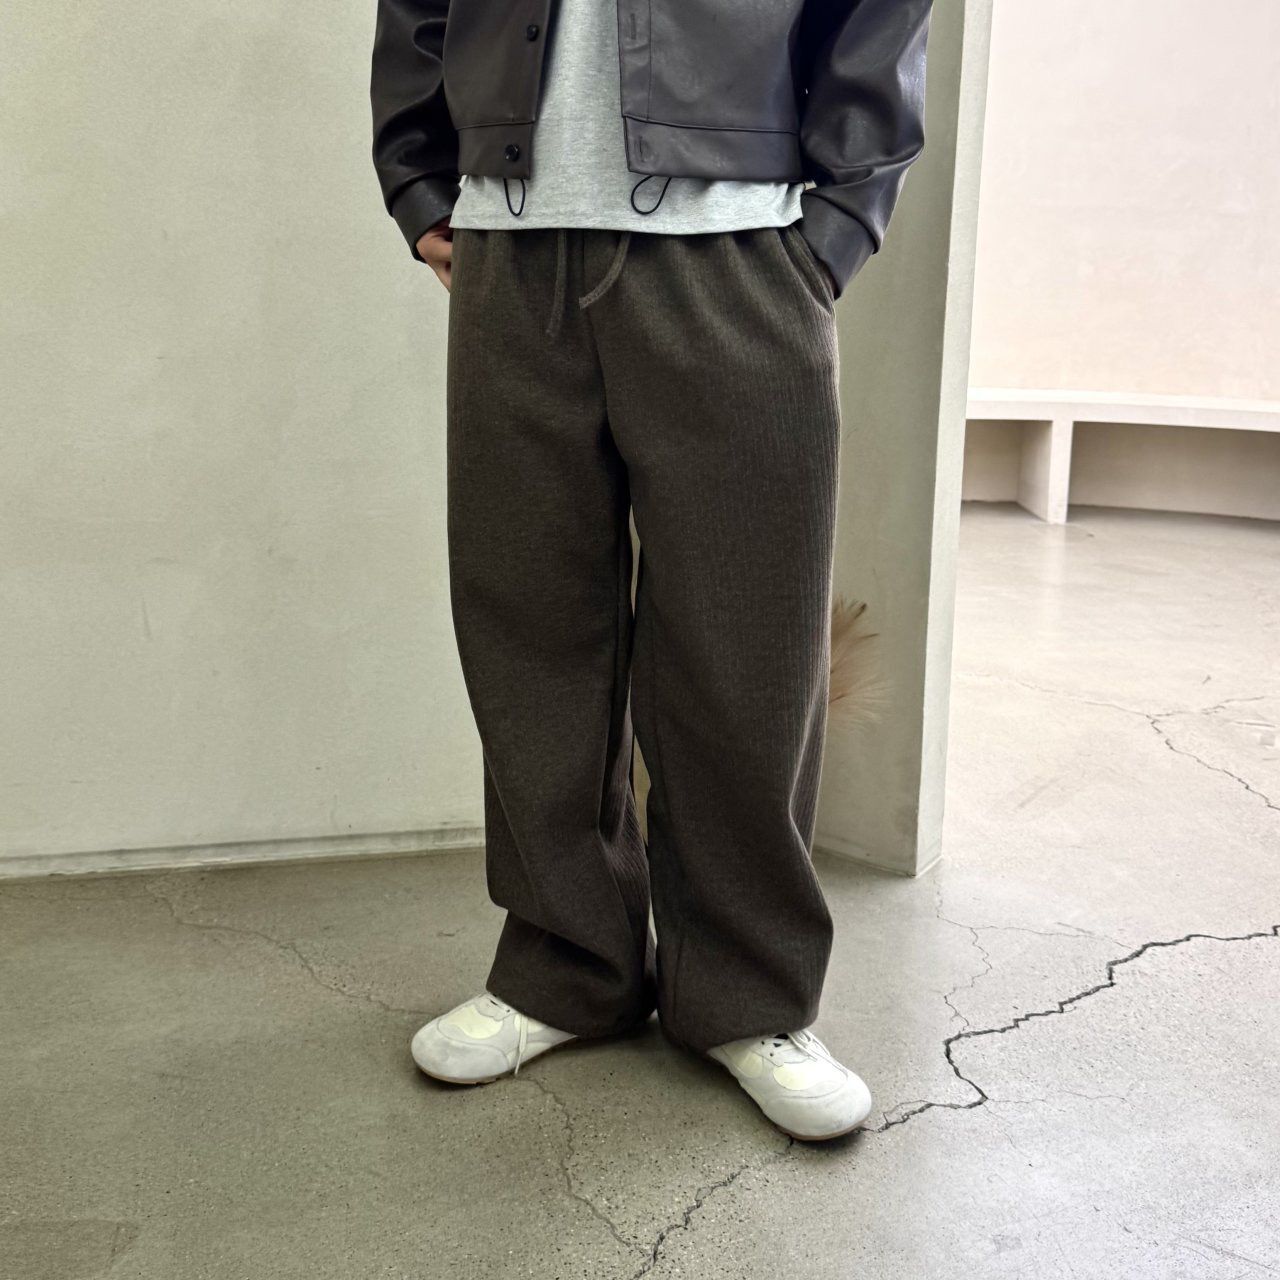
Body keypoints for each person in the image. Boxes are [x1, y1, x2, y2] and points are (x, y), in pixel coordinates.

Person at [371, 0, 932, 1142]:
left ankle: (750, 995)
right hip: (511, 250)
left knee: (746, 642)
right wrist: (419, 181)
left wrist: (839, 222)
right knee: (528, 628)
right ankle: (563, 966)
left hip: (737, 252)